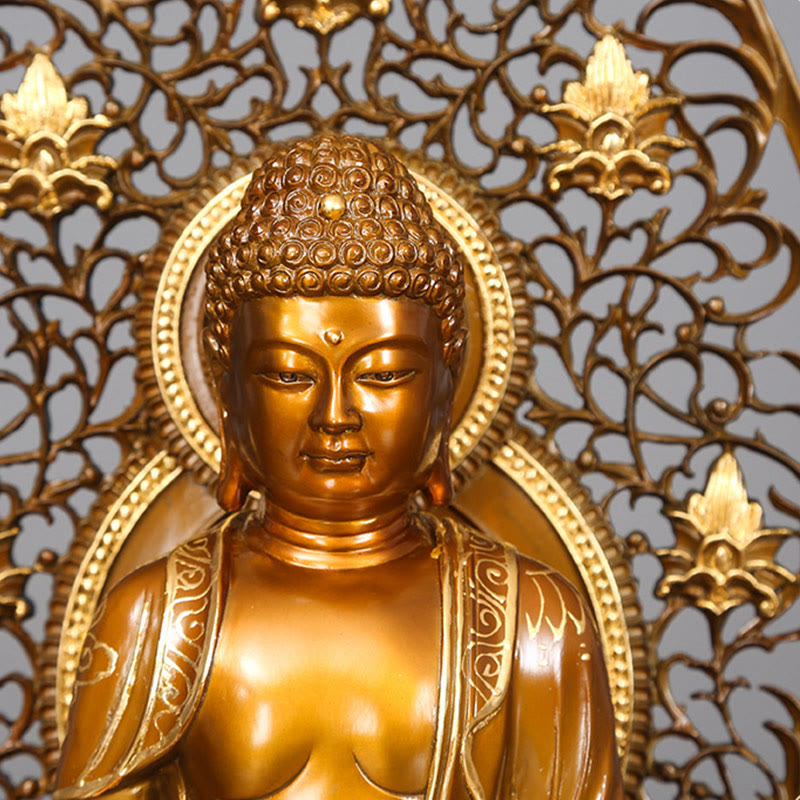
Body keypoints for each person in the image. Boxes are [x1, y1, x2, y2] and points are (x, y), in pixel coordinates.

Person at [55, 134, 623, 799]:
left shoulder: (537, 622)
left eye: (382, 374)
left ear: (442, 399)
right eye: (288, 375)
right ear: (231, 401)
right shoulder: (156, 619)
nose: (334, 414)